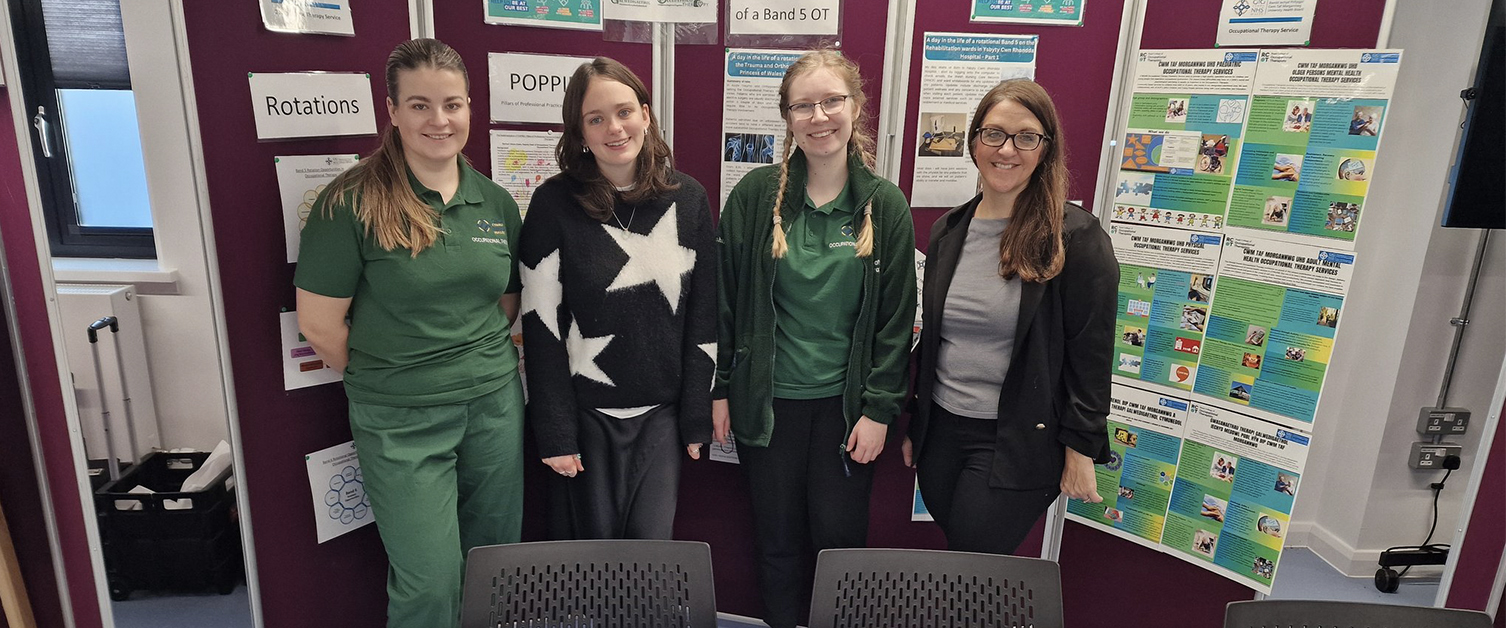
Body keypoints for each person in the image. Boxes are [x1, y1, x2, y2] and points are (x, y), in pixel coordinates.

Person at [294, 39, 524, 627]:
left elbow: (504, 305)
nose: (439, 120)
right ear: (391, 111)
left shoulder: (495, 202)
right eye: (420, 105)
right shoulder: (349, 202)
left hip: (494, 407)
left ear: (471, 108)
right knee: (430, 584)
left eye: (452, 104)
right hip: (400, 418)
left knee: (494, 568)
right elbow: (320, 328)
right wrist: (399, 374)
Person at [713, 49, 915, 628]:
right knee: (775, 545)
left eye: (832, 101)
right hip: (768, 406)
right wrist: (722, 388)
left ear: (856, 108)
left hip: (847, 414)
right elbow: (724, 303)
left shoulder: (885, 205)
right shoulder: (755, 197)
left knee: (839, 549)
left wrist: (880, 411)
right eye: (804, 105)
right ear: (787, 116)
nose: (819, 116)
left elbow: (895, 325)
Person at [903, 79, 1117, 555]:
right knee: (967, 561)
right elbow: (936, 341)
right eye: (994, 133)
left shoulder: (1076, 239)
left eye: (1027, 137)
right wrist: (917, 423)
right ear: (974, 142)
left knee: (972, 563)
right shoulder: (948, 231)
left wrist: (1081, 450)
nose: (1008, 149)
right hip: (941, 435)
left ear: (1046, 149)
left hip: (1016, 440)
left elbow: (1092, 354)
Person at [518, 57, 715, 540]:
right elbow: (540, 329)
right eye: (595, 118)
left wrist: (695, 418)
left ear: (646, 115)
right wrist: (556, 432)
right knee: (592, 570)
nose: (614, 128)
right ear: (579, 131)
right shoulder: (552, 205)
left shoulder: (688, 199)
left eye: (625, 111)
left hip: (661, 421)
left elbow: (705, 315)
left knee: (650, 564)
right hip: (585, 421)